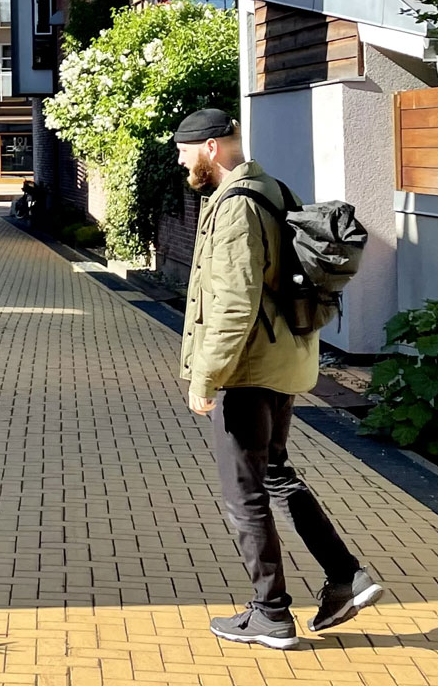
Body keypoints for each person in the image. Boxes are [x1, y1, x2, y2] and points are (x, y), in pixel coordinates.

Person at [173, 108, 384, 650]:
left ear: (212, 149)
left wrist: (206, 376)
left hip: (250, 368)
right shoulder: (271, 189)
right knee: (273, 474)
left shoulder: (237, 206)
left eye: (184, 149)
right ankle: (346, 576)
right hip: (283, 359)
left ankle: (270, 613)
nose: (180, 158)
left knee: (243, 495)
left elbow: (232, 301)